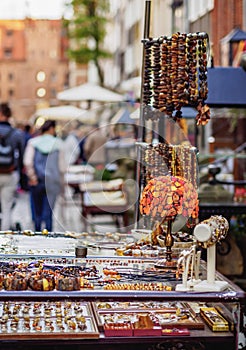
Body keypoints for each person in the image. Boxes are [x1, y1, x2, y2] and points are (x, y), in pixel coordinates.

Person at [24, 120, 65, 232]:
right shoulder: (58, 143)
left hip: (37, 181)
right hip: (52, 181)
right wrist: (62, 184)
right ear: (51, 129)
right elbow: (62, 167)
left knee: (36, 210)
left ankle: (37, 232)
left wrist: (32, 177)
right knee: (49, 211)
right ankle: (48, 235)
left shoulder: (33, 142)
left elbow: (28, 162)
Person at [0, 102, 25, 230]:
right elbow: (21, 156)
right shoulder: (17, 133)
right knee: (7, 208)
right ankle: (3, 239)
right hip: (10, 174)